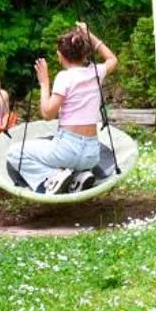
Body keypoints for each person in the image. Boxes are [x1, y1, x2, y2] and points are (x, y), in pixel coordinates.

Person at [17, 21, 118, 194]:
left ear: (60, 56)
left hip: (67, 150)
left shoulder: (64, 77)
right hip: (92, 155)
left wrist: (44, 82)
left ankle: (52, 178)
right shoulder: (96, 72)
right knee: (62, 153)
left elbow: (47, 113)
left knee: (16, 153)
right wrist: (89, 34)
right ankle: (78, 177)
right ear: (85, 53)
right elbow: (112, 59)